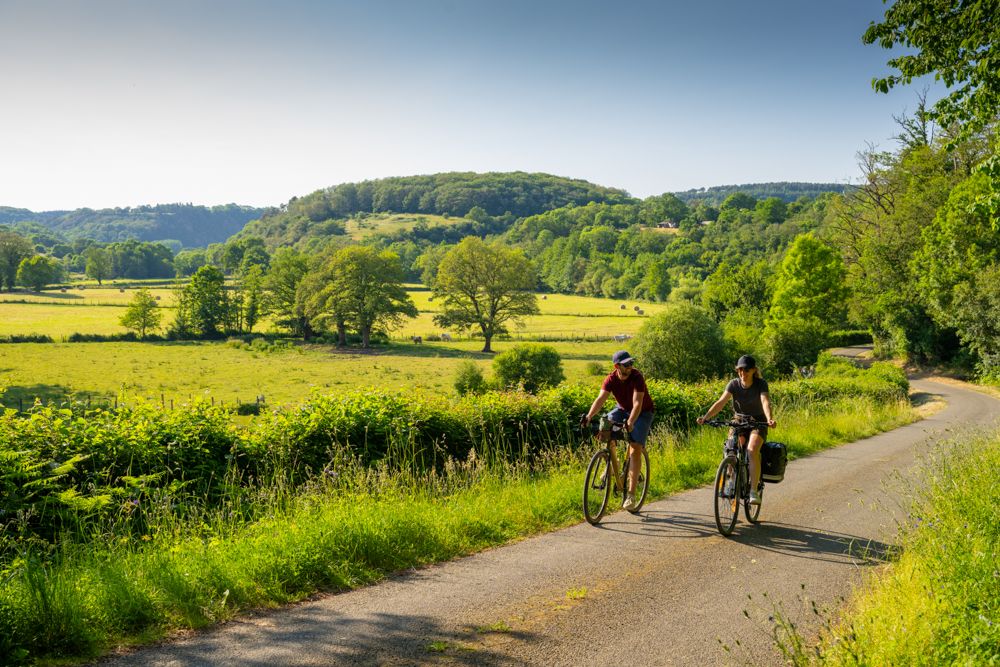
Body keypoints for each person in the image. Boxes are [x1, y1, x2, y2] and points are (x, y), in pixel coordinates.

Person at [581, 350, 655, 511]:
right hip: (621, 409)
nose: (630, 366)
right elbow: (600, 399)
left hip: (642, 412)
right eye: (626, 364)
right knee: (604, 425)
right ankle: (612, 464)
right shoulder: (610, 379)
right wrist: (588, 416)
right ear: (617, 366)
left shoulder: (637, 377)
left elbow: (637, 404)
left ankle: (631, 494)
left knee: (635, 448)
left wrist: (630, 421)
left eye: (631, 363)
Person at [696, 354, 776, 505]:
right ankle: (731, 481)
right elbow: (721, 402)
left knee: (752, 450)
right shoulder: (733, 384)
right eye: (739, 370)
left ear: (753, 370)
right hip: (738, 420)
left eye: (745, 370)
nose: (742, 373)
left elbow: (765, 401)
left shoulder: (761, 384)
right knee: (731, 449)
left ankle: (753, 491)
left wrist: (769, 418)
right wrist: (705, 417)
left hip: (758, 421)